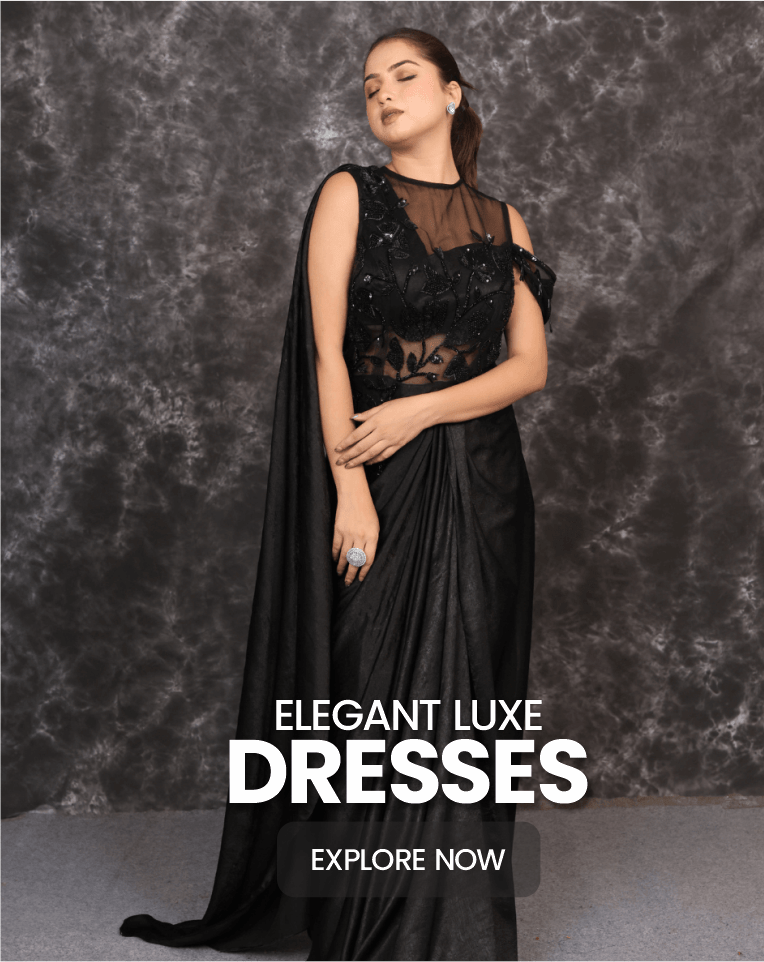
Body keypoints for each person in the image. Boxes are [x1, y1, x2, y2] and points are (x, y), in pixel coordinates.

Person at [120, 26, 556, 962]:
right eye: (369, 86)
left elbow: (528, 368)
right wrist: (349, 490)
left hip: (485, 489)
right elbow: (326, 355)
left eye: (404, 76)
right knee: (367, 701)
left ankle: (458, 934)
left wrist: (420, 409)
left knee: (466, 710)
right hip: (377, 477)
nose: (383, 94)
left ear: (452, 94)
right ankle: (364, 926)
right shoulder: (348, 193)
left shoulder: (505, 222)